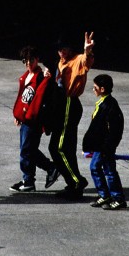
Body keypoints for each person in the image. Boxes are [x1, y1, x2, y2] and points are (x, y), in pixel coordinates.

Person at [43, 31, 95, 200]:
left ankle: (76, 181)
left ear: (70, 49)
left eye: (65, 48)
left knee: (58, 148)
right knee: (66, 149)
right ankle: (73, 186)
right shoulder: (59, 62)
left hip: (68, 104)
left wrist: (87, 51)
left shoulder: (76, 60)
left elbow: (86, 61)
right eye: (59, 49)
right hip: (60, 105)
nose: (62, 51)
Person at [10, 46, 59, 192]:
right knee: (28, 150)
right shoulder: (25, 77)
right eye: (25, 61)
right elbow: (23, 98)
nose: (28, 63)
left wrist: (48, 74)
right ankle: (34, 177)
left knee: (26, 150)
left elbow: (41, 97)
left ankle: (32, 178)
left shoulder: (41, 76)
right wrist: (18, 115)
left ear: (37, 60)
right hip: (26, 119)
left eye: (31, 60)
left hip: (34, 120)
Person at [82, 74, 126, 210]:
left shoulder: (110, 106)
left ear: (102, 89)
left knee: (109, 170)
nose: (93, 90)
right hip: (100, 146)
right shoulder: (103, 103)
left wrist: (108, 147)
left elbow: (114, 130)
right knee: (96, 168)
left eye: (94, 87)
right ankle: (105, 195)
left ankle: (118, 198)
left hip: (105, 147)